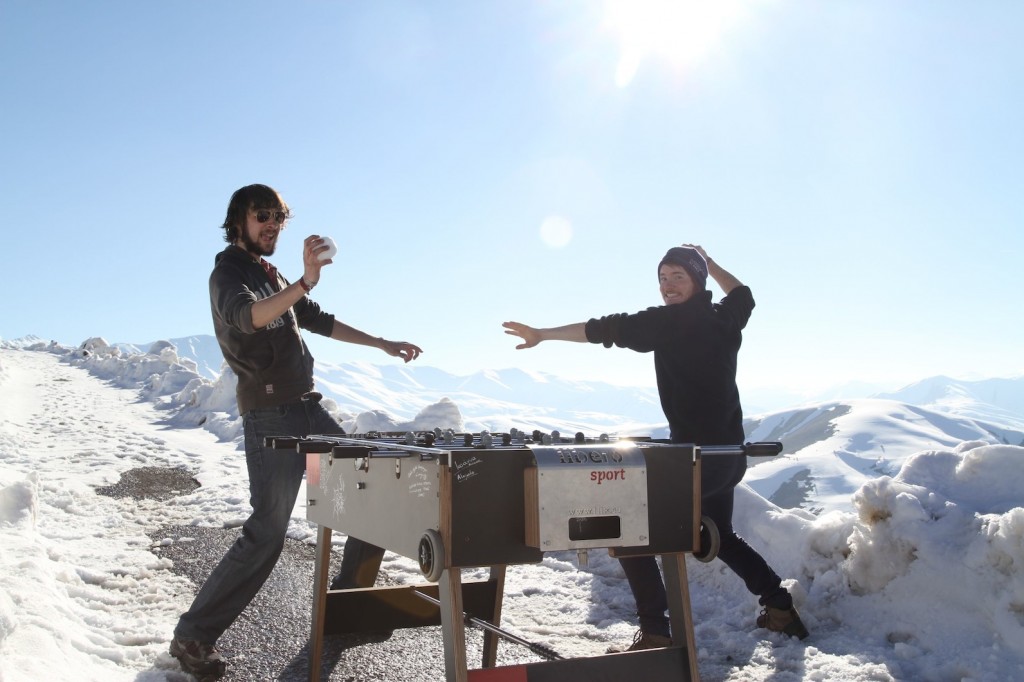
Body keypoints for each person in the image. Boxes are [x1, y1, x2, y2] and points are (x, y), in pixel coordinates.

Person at [169, 184, 424, 679]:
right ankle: (192, 635)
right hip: (270, 417)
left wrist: (381, 343)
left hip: (307, 410)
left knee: (372, 490)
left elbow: (317, 320)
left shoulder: (272, 275)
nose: (271, 225)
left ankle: (348, 605)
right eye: (262, 215)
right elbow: (249, 317)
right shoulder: (229, 273)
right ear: (238, 221)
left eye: (278, 218)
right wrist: (306, 281)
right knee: (267, 533)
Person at [502, 244, 808, 652]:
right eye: (663, 278)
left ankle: (655, 632)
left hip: (694, 460)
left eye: (678, 276)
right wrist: (710, 264)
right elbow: (743, 294)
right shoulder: (724, 318)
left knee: (629, 529)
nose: (668, 286)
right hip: (727, 456)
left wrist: (543, 334)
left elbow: (599, 330)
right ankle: (780, 606)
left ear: (695, 280)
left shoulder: (665, 322)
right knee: (719, 535)